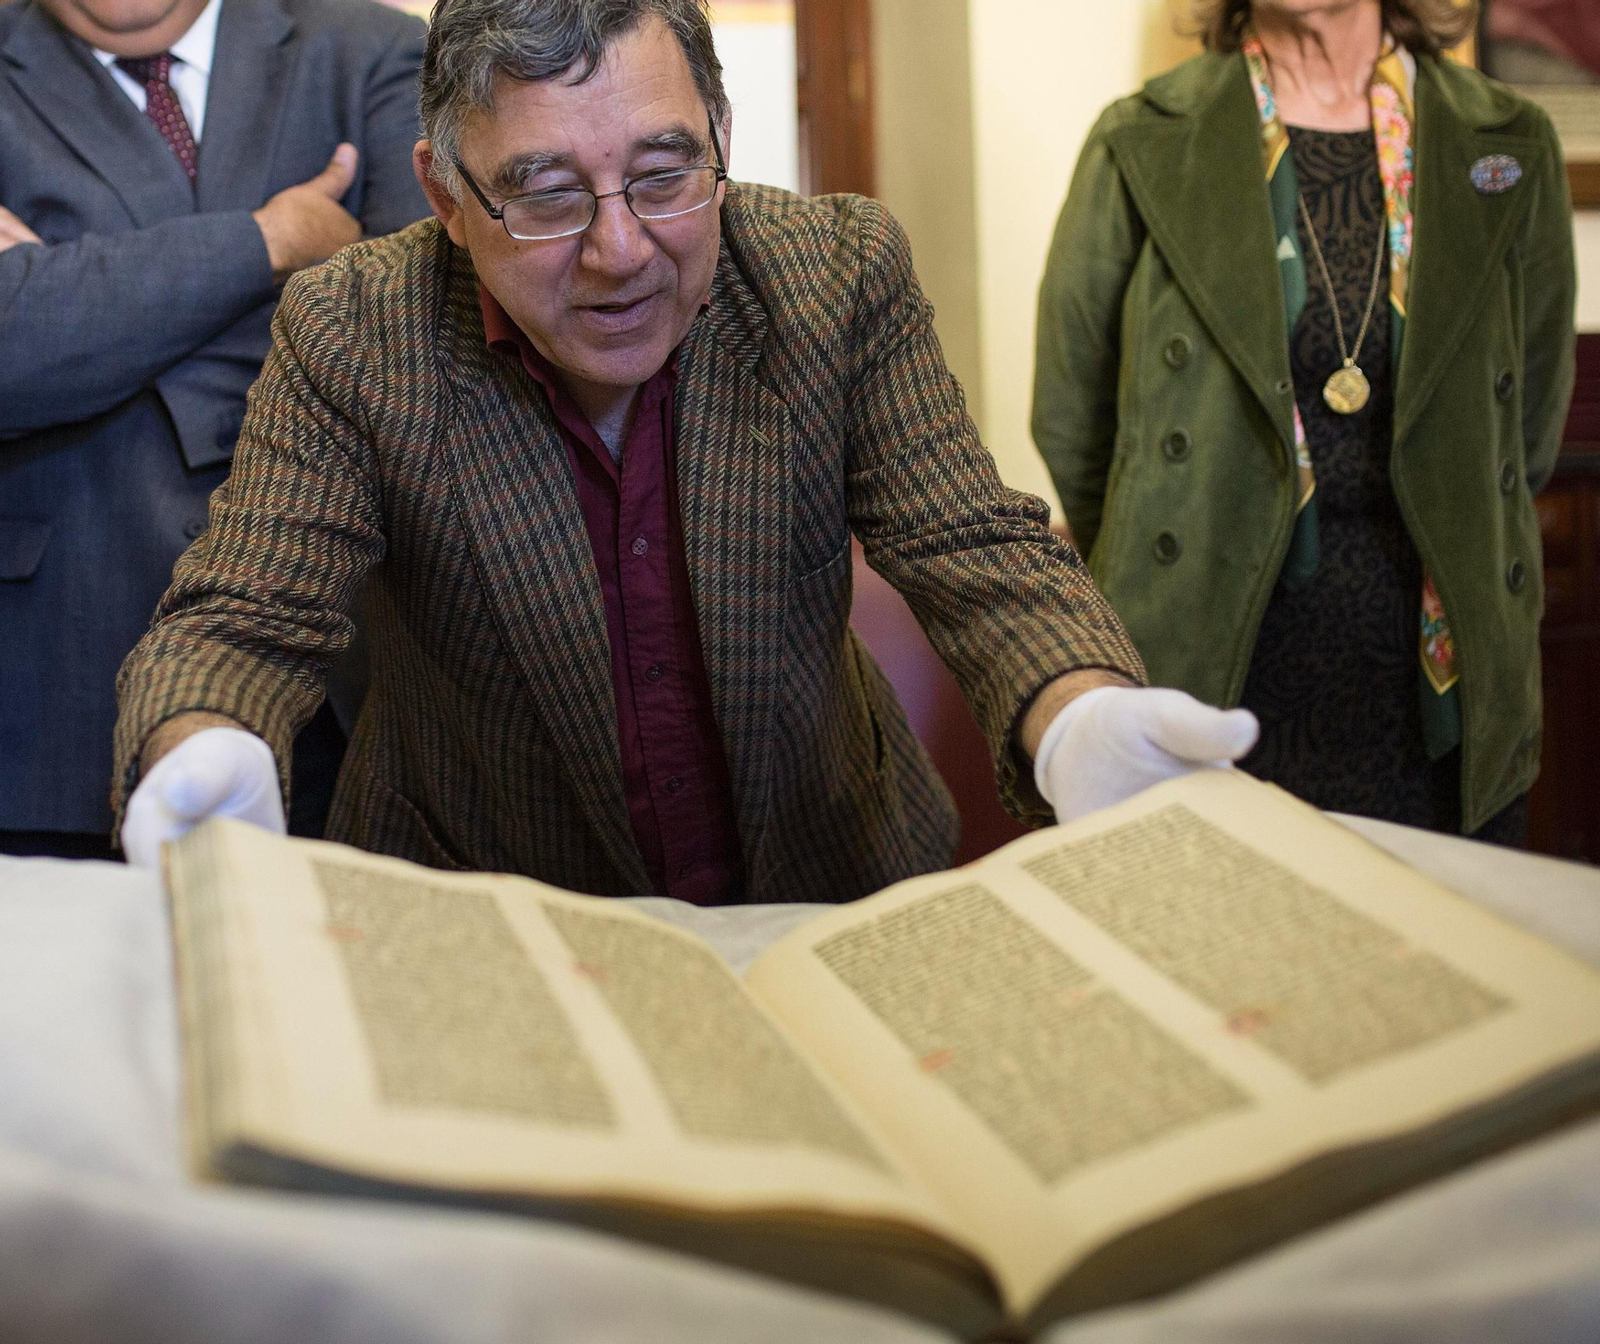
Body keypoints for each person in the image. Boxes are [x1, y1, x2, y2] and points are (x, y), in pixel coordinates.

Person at [113, 0, 1260, 902]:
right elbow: (240, 621)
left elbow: (973, 549)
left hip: (833, 889)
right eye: (545, 195)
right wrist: (199, 746)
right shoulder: (356, 329)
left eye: (664, 177)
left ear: (722, 138)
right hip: (491, 915)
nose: (619, 251)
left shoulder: (833, 272)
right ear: (446, 196)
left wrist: (1082, 712)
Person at [1032, 0, 1575, 845]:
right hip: (1214, 668)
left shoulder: (1508, 140)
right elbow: (1072, 412)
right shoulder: (1140, 136)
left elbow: (1528, 427)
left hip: (1438, 682)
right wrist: (1173, 559)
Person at [0, 0, 429, 858]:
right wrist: (273, 241)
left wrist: (63, 293)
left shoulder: (375, 54)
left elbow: (420, 343)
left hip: (347, 668)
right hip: (53, 680)